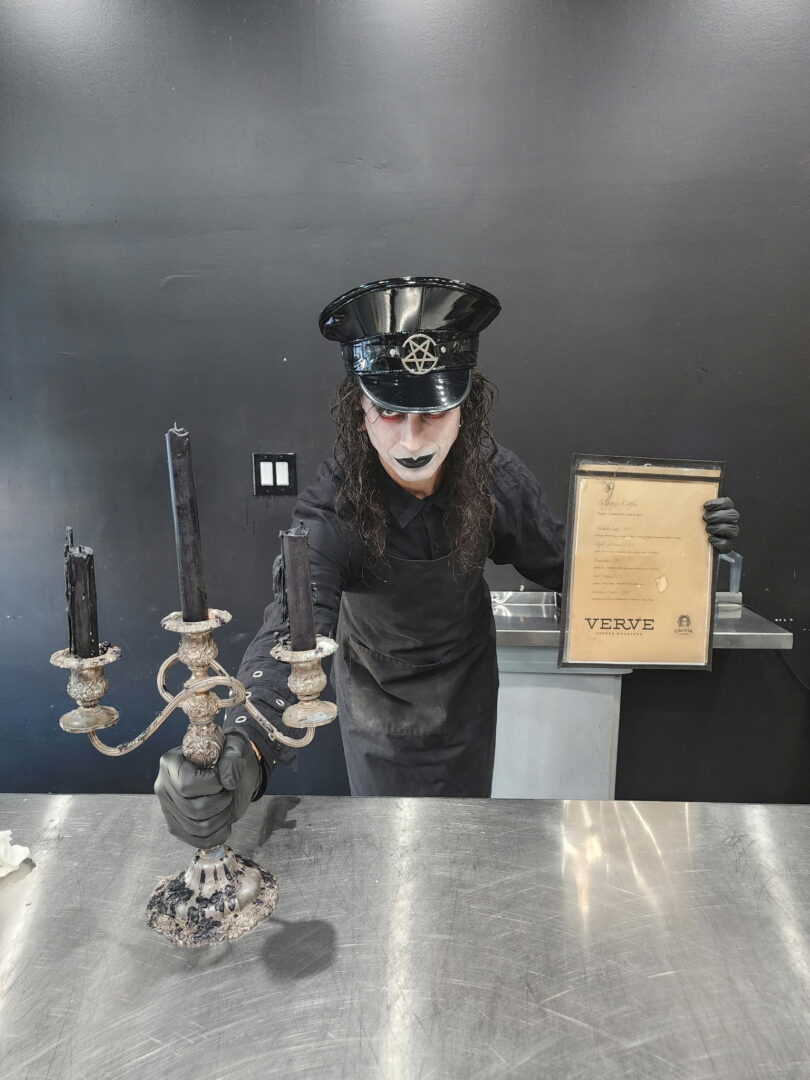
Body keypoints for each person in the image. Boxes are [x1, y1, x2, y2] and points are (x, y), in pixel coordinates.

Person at [155, 277, 740, 847]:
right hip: (376, 703)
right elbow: (291, 626)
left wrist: (682, 545)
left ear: (465, 409)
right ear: (360, 412)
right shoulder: (334, 507)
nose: (412, 441)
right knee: (389, 841)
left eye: (432, 414)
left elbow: (571, 567)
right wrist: (245, 749)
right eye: (390, 413)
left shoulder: (494, 479)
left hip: (466, 697)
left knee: (464, 838)